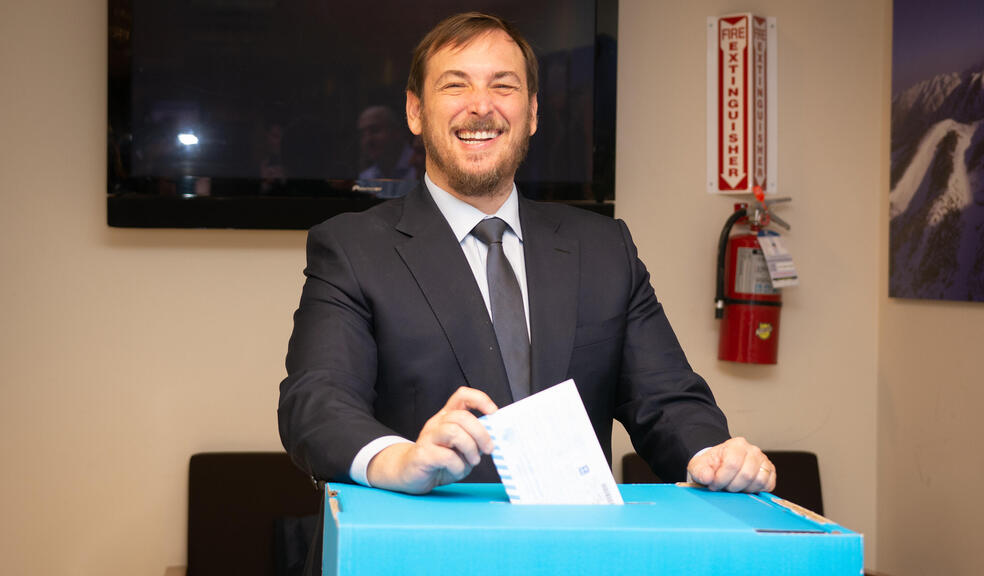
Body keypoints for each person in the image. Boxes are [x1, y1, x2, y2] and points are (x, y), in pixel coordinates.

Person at [279, 12, 775, 503]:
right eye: (455, 85)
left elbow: (668, 399)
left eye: (503, 86)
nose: (480, 106)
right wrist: (398, 459)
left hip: (567, 551)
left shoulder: (604, 249)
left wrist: (713, 455)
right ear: (415, 111)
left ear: (533, 112)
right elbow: (317, 403)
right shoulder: (351, 248)